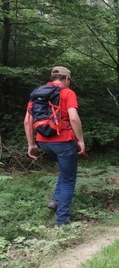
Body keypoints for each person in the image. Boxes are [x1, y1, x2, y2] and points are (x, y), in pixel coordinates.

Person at [24, 66, 85, 226]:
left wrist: (31, 143)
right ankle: (62, 220)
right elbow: (73, 118)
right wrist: (80, 140)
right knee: (69, 179)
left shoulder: (37, 92)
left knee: (65, 171)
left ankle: (55, 200)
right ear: (67, 79)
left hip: (43, 141)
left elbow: (27, 121)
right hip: (63, 141)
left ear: (52, 78)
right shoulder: (67, 92)